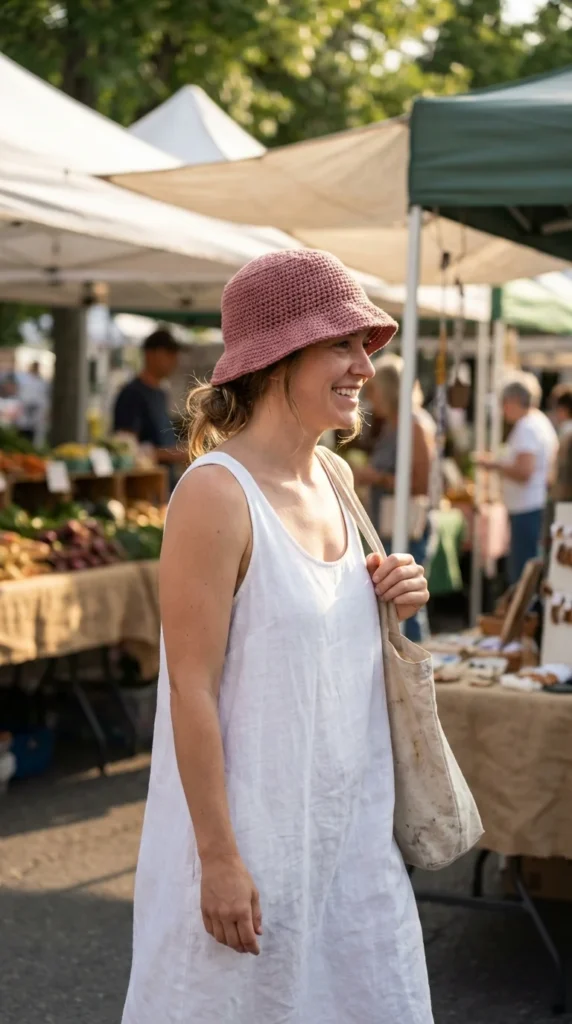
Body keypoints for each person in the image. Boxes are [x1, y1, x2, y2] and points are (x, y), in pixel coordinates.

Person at [122, 250, 433, 1024]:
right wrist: (219, 861)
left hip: (347, 846)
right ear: (274, 361)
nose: (365, 365)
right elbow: (188, 688)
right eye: (343, 345)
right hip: (250, 850)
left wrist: (396, 596)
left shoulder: (335, 478)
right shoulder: (215, 493)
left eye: (365, 345)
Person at [352, 353, 434, 643]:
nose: (368, 396)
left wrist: (377, 478)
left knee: (406, 601)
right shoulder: (393, 424)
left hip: (405, 524)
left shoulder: (415, 425)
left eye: (373, 389)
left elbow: (422, 484)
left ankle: (412, 665)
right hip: (386, 523)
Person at [475, 378, 557, 584]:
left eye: (504, 403)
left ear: (513, 400)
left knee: (522, 574)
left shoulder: (527, 427)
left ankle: (524, 615)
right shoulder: (539, 422)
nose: (503, 409)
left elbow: (524, 471)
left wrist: (492, 465)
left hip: (526, 508)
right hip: (532, 505)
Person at [113, 328, 187, 479]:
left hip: (166, 483)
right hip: (143, 484)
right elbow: (126, 449)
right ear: (151, 354)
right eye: (169, 354)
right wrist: (175, 454)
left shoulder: (161, 393)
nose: (175, 360)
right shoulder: (132, 394)